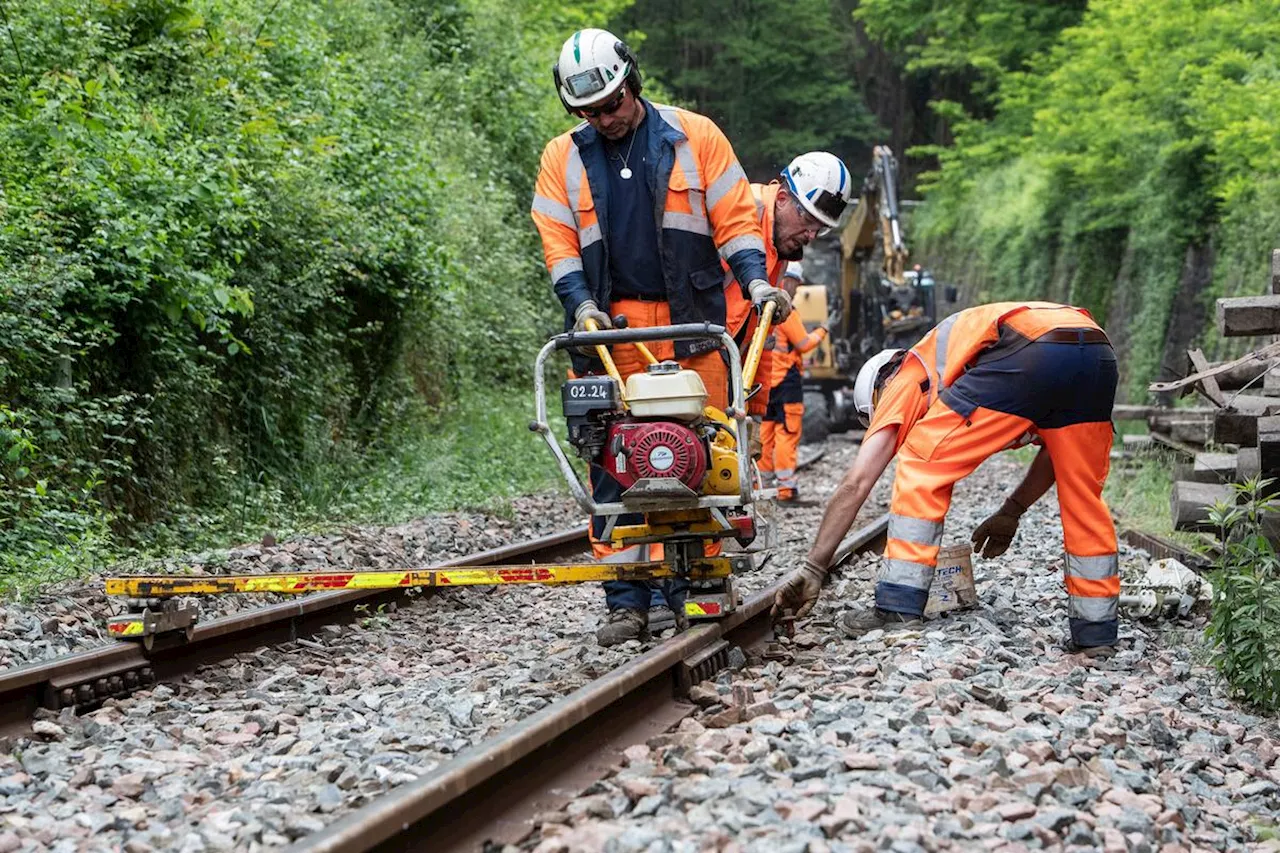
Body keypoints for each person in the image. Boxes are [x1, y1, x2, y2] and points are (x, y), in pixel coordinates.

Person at [531, 28, 792, 646]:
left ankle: (694, 587)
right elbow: (559, 245)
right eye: (590, 111)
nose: (606, 118)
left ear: (633, 83)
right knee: (611, 460)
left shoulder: (696, 136)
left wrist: (755, 282)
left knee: (699, 457)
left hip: (690, 328)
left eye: (613, 103)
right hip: (606, 333)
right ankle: (626, 600)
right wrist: (582, 308)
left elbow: (734, 220)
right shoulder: (561, 158)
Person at [772, 301, 1121, 657]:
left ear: (880, 389)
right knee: (1083, 496)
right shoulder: (964, 364)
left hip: (1032, 348)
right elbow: (1053, 454)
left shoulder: (907, 375)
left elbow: (857, 481)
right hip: (1096, 352)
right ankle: (1096, 635)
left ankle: (898, 605)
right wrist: (1012, 511)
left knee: (922, 462)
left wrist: (814, 565)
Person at [758, 261, 828, 505]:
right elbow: (803, 344)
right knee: (787, 433)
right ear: (790, 281)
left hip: (767, 380)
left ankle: (763, 486)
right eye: (797, 285)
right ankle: (786, 489)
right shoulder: (787, 311)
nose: (797, 291)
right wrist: (822, 331)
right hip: (787, 381)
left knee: (765, 434)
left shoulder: (763, 306)